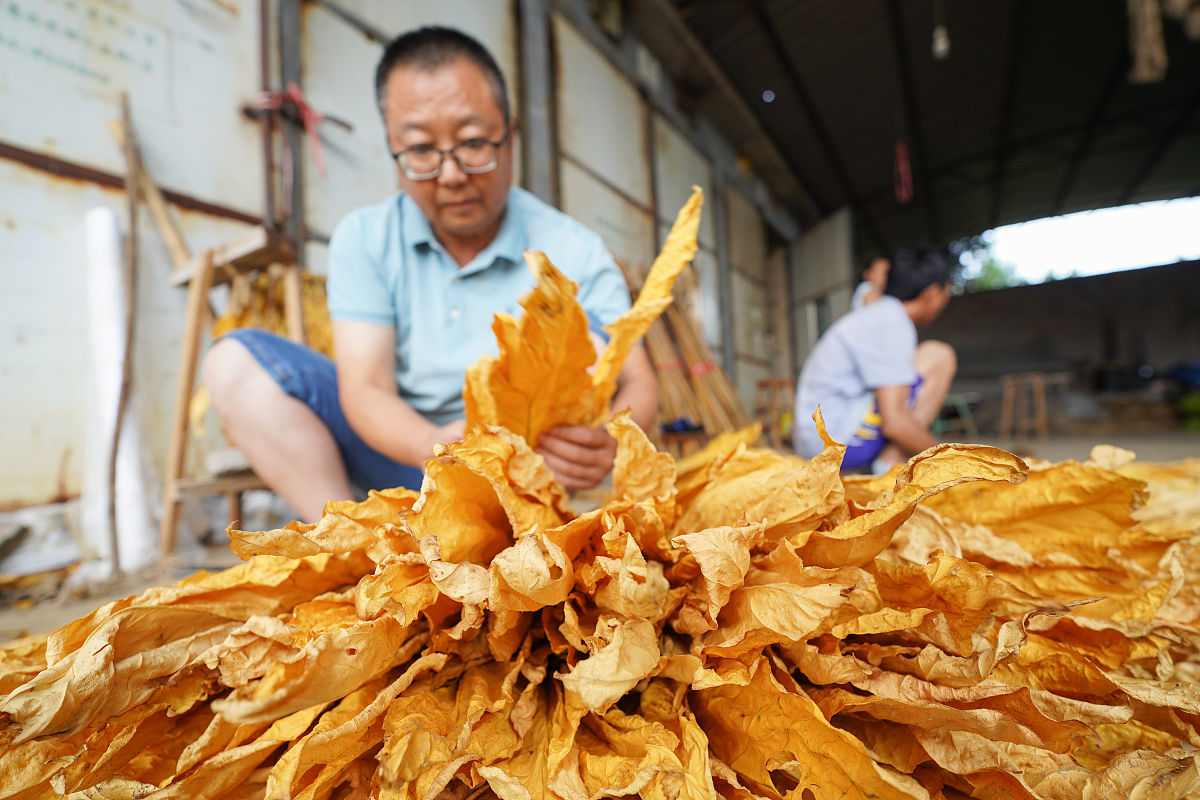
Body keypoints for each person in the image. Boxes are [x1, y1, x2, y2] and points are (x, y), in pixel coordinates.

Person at [203, 26, 658, 522]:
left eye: (473, 142)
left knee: (588, 343)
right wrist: (431, 443)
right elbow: (365, 387)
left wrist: (608, 443)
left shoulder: (572, 249)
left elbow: (638, 380)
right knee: (234, 364)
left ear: (510, 135)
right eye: (421, 150)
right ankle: (352, 550)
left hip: (530, 477)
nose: (452, 174)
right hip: (407, 463)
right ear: (393, 149)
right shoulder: (366, 238)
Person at [793, 245, 957, 473]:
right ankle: (889, 465)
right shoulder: (891, 323)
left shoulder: (879, 314)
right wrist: (954, 465)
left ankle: (889, 459)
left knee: (914, 369)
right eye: (946, 292)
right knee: (939, 356)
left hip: (816, 441)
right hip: (834, 449)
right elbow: (895, 424)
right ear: (931, 294)